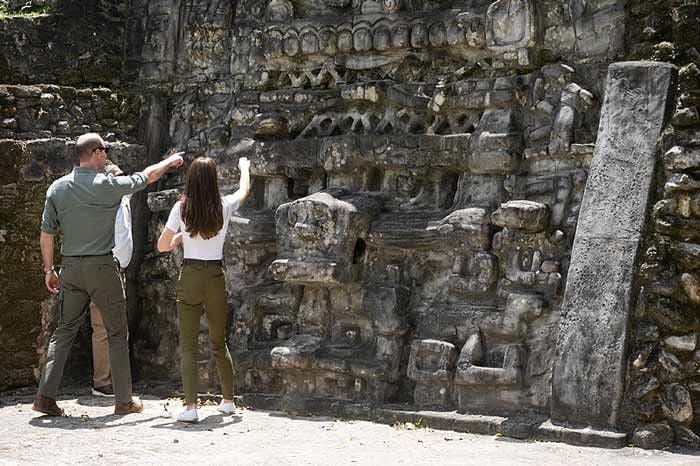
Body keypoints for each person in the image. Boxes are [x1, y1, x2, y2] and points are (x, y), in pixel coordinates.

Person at [34, 133, 184, 417]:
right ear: (95, 153)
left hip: (71, 269)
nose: (107, 154)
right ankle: (124, 400)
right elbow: (146, 177)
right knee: (116, 331)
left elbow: (46, 233)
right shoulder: (107, 185)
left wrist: (49, 269)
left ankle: (45, 395)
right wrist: (169, 161)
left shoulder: (57, 189)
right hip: (102, 268)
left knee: (63, 331)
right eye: (105, 150)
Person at [157, 156, 250, 423]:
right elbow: (243, 190)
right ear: (214, 180)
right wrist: (244, 167)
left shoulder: (180, 208)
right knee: (219, 343)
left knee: (188, 346)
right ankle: (229, 401)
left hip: (190, 275)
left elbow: (162, 246)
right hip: (215, 276)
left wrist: (179, 238)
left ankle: (190, 407)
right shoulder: (224, 206)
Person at [90, 161, 133, 398]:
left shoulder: (123, 200)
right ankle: (102, 382)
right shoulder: (101, 204)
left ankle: (112, 379)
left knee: (114, 326)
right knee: (102, 327)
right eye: (116, 178)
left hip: (117, 269)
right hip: (105, 267)